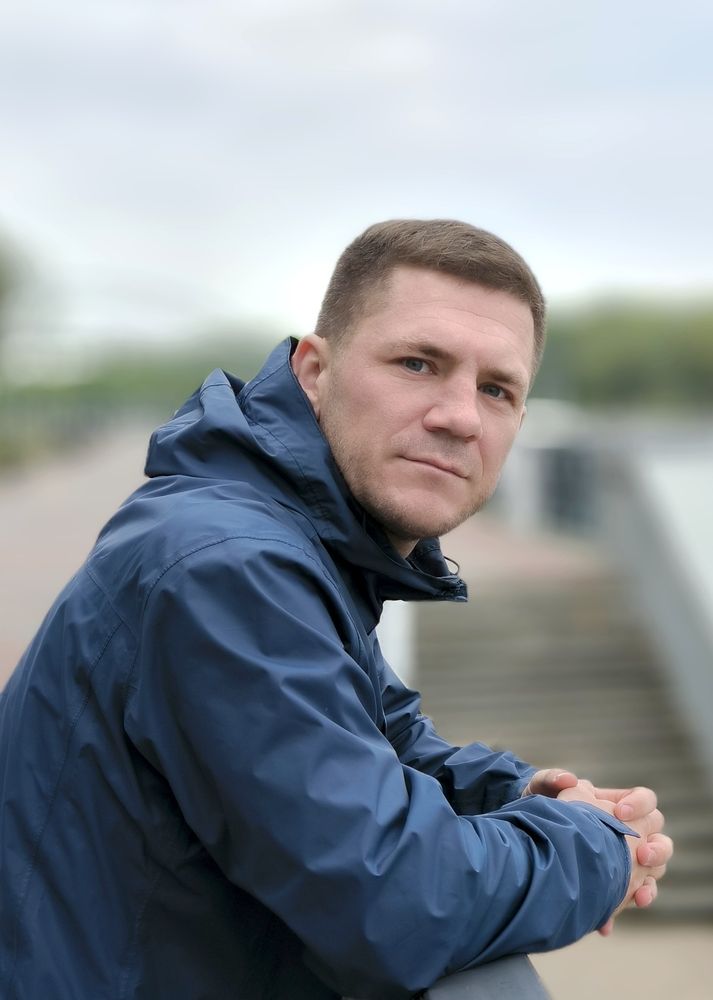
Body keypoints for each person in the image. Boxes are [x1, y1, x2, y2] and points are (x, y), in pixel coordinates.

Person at [0, 219, 671, 1000]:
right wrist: (598, 850)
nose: (458, 416)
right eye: (417, 364)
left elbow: (383, 742)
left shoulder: (296, 541)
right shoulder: (226, 566)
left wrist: (528, 795)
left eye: (495, 390)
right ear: (313, 372)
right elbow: (396, 903)